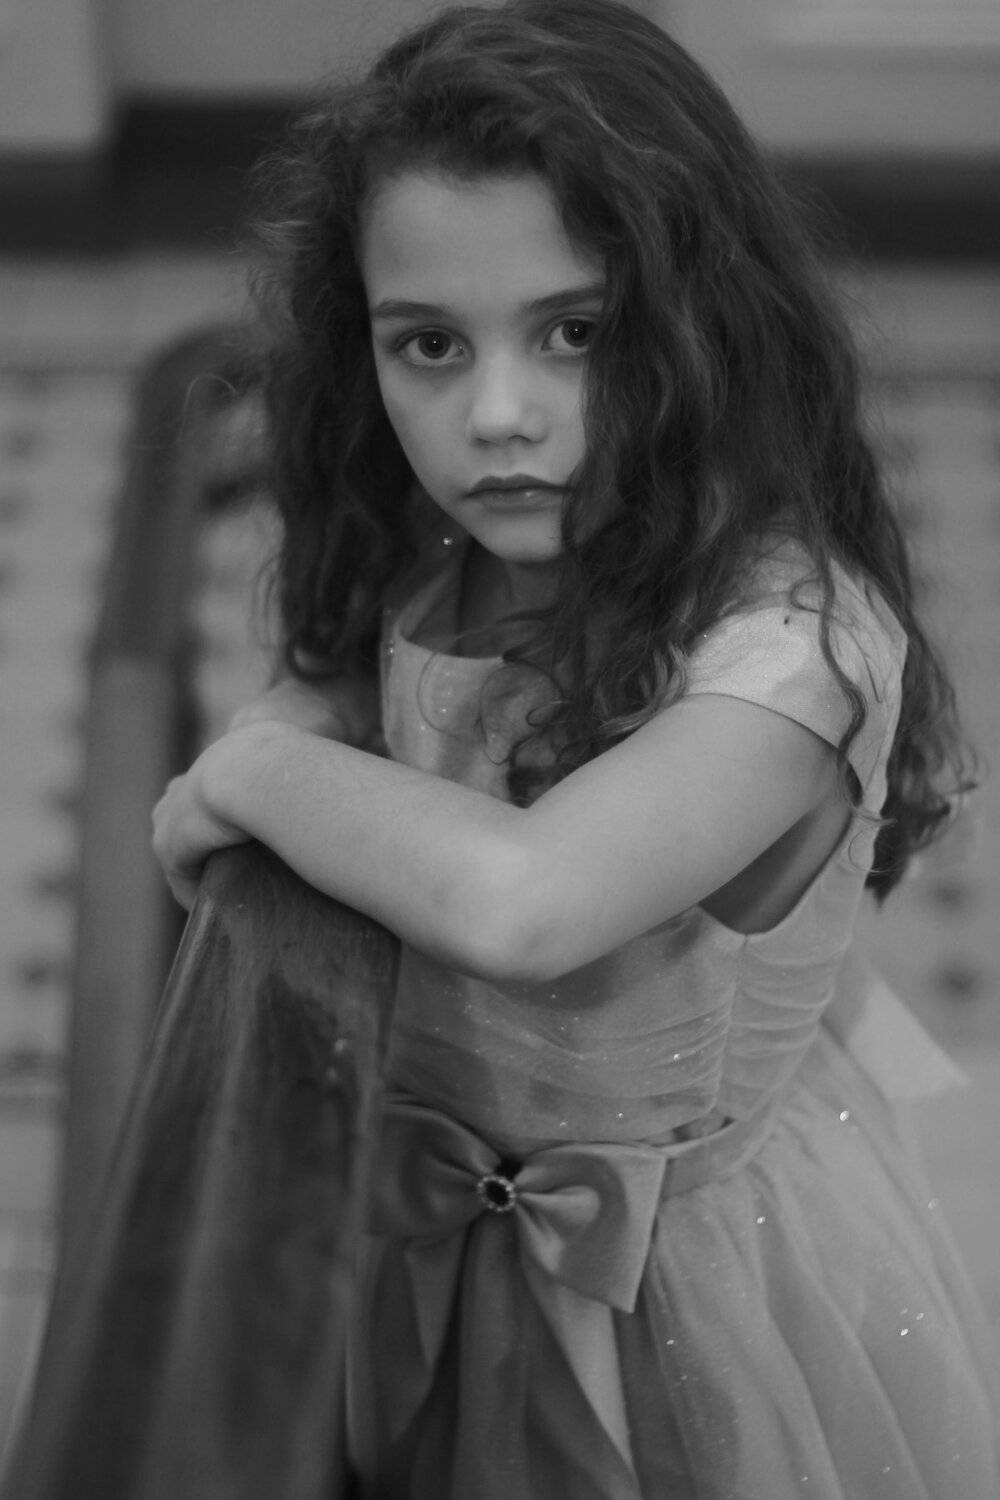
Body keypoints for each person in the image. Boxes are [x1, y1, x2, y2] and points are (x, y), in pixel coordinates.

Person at [152, 2, 1000, 1494]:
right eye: (429, 343)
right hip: (437, 1237)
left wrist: (247, 771)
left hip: (688, 1288)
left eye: (578, 332)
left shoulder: (789, 650)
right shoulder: (445, 552)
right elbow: (333, 680)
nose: (498, 417)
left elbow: (524, 905)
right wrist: (296, 719)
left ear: (705, 322)